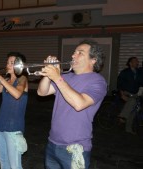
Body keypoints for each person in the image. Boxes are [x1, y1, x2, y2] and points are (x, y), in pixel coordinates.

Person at [37, 39, 107, 169]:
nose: (73, 55)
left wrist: (57, 78)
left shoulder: (98, 82)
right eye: (74, 52)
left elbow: (79, 104)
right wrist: (48, 73)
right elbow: (42, 92)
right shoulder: (66, 76)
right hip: (52, 142)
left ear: (93, 60)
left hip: (75, 147)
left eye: (80, 53)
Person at [0, 52, 28, 169]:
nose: (8, 65)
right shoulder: (7, 81)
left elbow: (17, 94)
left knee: (15, 166)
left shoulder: (22, 79)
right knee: (4, 164)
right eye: (8, 62)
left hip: (13, 129)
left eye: (12, 63)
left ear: (20, 65)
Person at [117, 57, 143, 134]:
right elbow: (119, 83)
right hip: (126, 92)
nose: (137, 62)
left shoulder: (139, 72)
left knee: (134, 110)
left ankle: (128, 128)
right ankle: (122, 116)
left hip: (135, 93)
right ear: (130, 63)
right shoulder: (125, 72)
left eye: (137, 61)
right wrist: (122, 94)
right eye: (135, 61)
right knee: (133, 101)